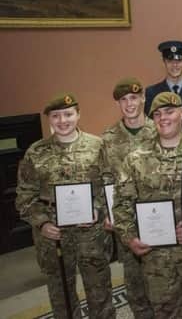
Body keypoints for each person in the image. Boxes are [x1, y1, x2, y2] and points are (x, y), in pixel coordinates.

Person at [113, 92, 182, 318]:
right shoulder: (136, 158)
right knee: (166, 312)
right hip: (157, 260)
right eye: (158, 114)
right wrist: (129, 238)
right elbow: (121, 205)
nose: (163, 117)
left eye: (169, 111)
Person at [16, 93, 115, 319]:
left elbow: (109, 184)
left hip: (90, 232)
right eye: (56, 116)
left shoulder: (97, 146)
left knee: (99, 289)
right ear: (49, 119)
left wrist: (98, 209)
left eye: (68, 114)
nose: (63, 121)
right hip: (53, 235)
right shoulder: (36, 152)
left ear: (78, 114)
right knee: (61, 294)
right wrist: (42, 223)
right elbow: (24, 195)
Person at [100, 78, 156, 319]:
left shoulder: (160, 129)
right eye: (123, 100)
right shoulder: (108, 138)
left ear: (143, 98)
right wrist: (106, 212)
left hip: (159, 218)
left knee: (167, 281)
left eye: (134, 98)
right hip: (127, 223)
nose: (129, 104)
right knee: (135, 286)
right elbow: (103, 179)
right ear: (118, 104)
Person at [145, 40, 182, 115]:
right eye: (170, 61)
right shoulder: (152, 92)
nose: (175, 65)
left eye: (179, 61)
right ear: (164, 62)